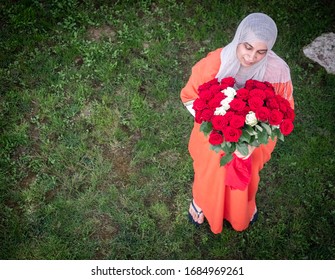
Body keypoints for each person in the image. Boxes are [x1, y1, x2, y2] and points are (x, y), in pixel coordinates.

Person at [180, 13, 294, 233]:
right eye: (247, 47)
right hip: (216, 129)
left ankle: (243, 208)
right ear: (238, 39)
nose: (251, 57)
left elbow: (285, 109)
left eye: (261, 52)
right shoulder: (216, 62)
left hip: (254, 135)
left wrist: (251, 142)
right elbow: (190, 97)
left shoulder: (277, 70)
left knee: (246, 170)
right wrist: (215, 123)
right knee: (209, 168)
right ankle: (203, 201)